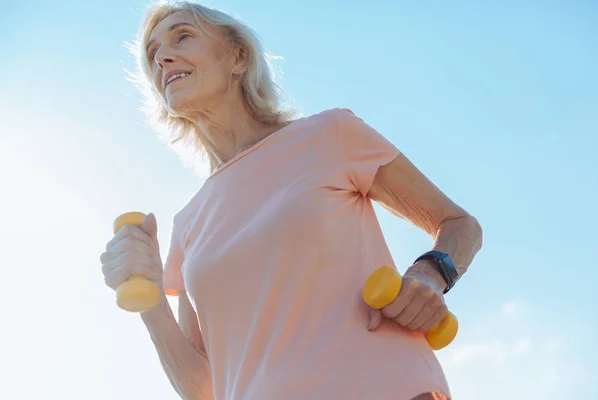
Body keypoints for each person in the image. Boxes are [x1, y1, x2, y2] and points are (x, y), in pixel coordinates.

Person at [100, 1, 483, 399]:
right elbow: (206, 389)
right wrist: (151, 301)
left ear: (237, 56)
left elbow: (459, 224)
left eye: (183, 36)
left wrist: (429, 275)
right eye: (152, 53)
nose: (162, 57)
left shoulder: (330, 135)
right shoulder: (188, 223)